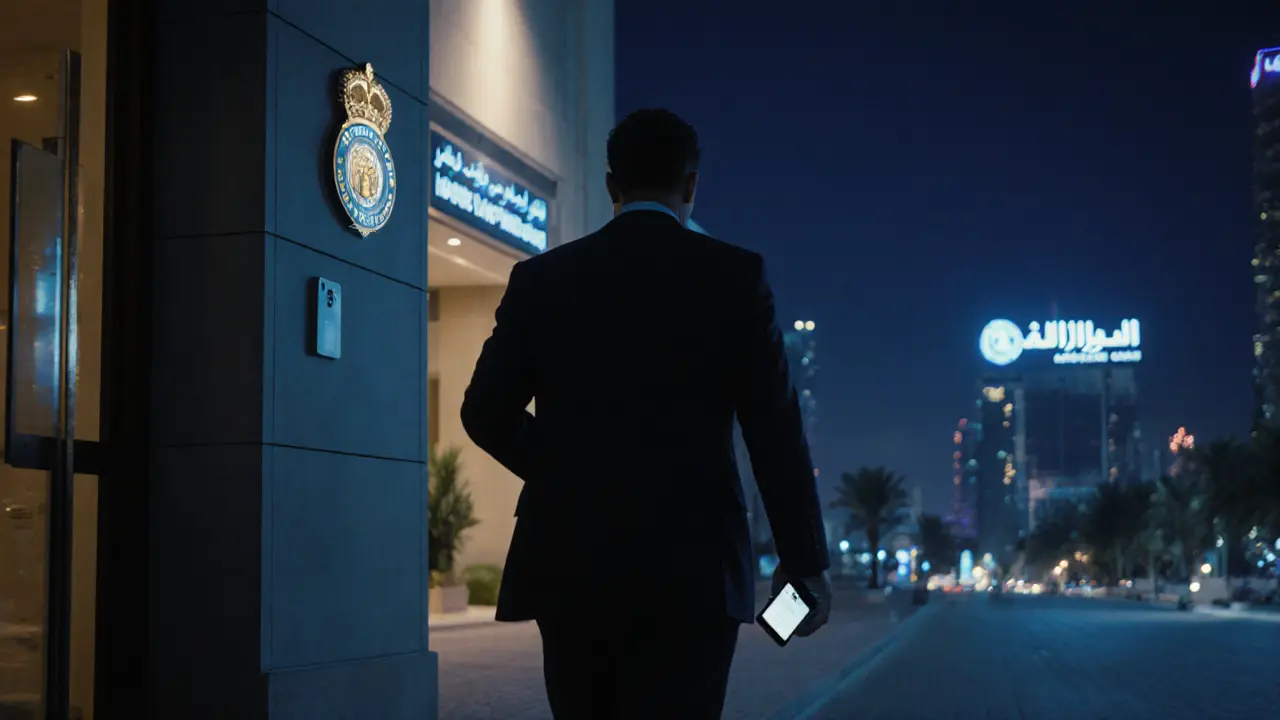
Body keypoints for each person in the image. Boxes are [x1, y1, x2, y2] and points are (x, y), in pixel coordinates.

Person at [460, 108, 832, 720]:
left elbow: (484, 412)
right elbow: (775, 432)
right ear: (690, 186)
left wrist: (564, 469)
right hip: (695, 570)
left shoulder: (542, 280)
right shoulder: (735, 278)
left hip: (572, 563)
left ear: (613, 186)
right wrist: (804, 563)